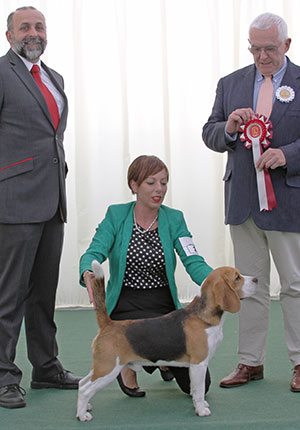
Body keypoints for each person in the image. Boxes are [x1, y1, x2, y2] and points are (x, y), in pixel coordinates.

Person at [202, 12, 300, 391]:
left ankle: (298, 362)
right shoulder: (230, 84)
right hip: (243, 202)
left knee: (294, 284)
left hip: (287, 201)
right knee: (249, 288)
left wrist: (287, 154)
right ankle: (250, 363)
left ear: (287, 46)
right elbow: (210, 132)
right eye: (255, 48)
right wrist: (227, 128)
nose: (262, 56)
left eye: (269, 49)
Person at [0, 6, 80, 409]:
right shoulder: (1, 73)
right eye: (25, 27)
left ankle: (46, 368)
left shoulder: (55, 78)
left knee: (42, 294)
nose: (34, 33)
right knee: (9, 296)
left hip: (52, 201)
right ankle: (3, 377)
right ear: (9, 34)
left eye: (39, 26)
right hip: (13, 202)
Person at [80, 155, 212, 397]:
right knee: (142, 341)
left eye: (163, 182)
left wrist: (216, 280)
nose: (159, 189)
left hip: (164, 308)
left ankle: (159, 359)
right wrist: (88, 269)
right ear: (134, 185)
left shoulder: (174, 218)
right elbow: (95, 250)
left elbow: (193, 260)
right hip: (126, 306)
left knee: (201, 385)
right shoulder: (116, 215)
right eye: (151, 182)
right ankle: (131, 365)